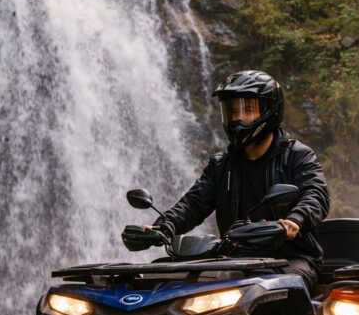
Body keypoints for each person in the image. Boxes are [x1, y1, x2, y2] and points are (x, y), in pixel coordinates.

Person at [121, 70, 330, 291]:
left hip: (291, 257)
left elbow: (316, 194)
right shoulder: (221, 165)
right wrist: (163, 227)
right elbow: (193, 204)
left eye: (248, 110)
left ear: (271, 110)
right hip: (233, 258)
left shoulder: (298, 155)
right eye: (231, 111)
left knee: (283, 288)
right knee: (155, 279)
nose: (237, 118)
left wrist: (294, 221)